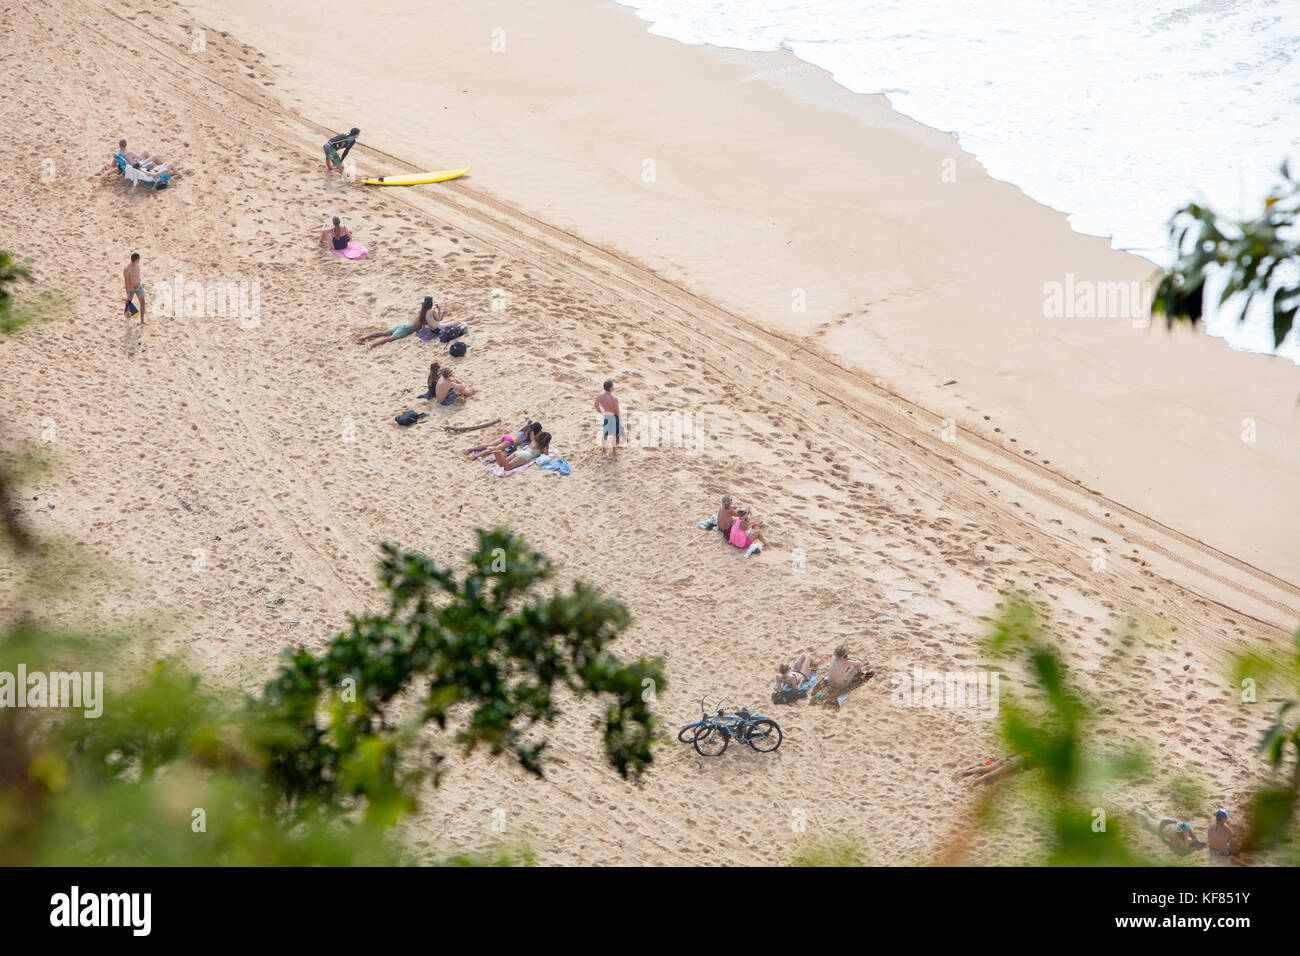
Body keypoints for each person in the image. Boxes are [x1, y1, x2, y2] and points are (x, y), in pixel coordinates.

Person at [356, 297, 435, 348]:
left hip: (404, 325)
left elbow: (422, 320)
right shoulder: (426, 315)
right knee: (389, 339)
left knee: (383, 333)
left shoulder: (421, 310)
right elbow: (424, 326)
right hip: (407, 329)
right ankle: (373, 344)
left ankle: (363, 338)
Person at [464, 421, 541, 458]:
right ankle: (476, 455)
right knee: (494, 449)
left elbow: (529, 423)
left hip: (507, 437)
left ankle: (470, 449)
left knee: (489, 445)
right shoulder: (531, 432)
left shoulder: (526, 428)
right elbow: (533, 442)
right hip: (510, 442)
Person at [595, 380, 620, 452]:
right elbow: (617, 410)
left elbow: (596, 405)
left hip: (606, 416)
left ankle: (604, 449)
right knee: (614, 435)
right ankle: (614, 451)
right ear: (610, 388)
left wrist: (601, 412)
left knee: (605, 434)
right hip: (614, 417)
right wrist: (620, 418)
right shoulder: (614, 398)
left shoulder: (599, 396)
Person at [123, 253, 145, 325]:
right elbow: (126, 282)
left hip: (138, 287)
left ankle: (142, 320)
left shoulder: (137, 266)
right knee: (128, 302)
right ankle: (127, 314)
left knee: (142, 302)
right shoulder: (127, 269)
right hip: (131, 289)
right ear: (136, 260)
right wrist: (128, 294)